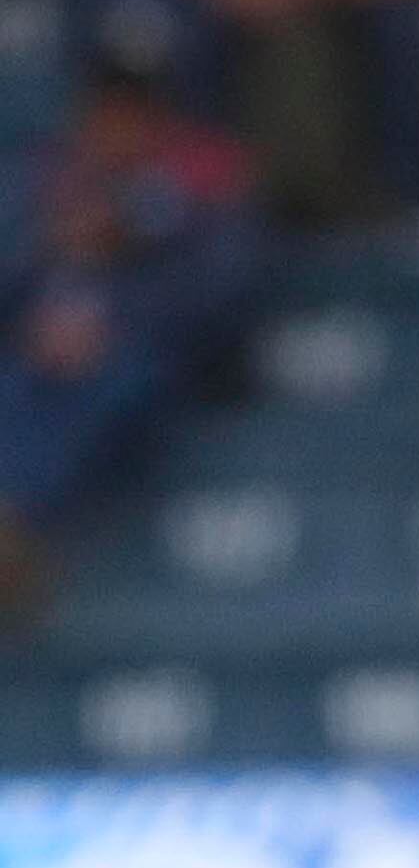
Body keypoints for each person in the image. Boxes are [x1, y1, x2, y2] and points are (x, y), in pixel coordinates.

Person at [0, 45, 260, 622]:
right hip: (34, 351)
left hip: (138, 357)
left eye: (128, 113)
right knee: (16, 384)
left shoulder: (200, 185)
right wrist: (46, 248)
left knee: (107, 385)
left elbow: (222, 294)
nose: (111, 128)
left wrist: (120, 305)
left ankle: (15, 523)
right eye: (102, 112)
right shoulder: (48, 182)